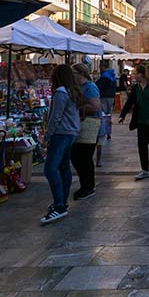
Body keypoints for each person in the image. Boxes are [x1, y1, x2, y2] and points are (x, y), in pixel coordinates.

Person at [40, 65, 82, 224]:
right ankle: (62, 202)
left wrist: (47, 136)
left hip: (61, 134)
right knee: (63, 167)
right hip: (71, 133)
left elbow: (55, 117)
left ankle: (59, 205)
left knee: (50, 169)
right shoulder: (72, 92)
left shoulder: (60, 93)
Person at [119, 65, 149, 180]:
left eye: (135, 73)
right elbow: (130, 101)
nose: (132, 75)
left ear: (141, 74)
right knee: (142, 144)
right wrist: (122, 115)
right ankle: (144, 169)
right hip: (142, 119)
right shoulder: (136, 87)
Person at [71, 64, 101, 200]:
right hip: (81, 125)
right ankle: (86, 186)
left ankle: (88, 187)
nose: (72, 75)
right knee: (78, 157)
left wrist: (77, 108)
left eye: (74, 73)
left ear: (81, 74)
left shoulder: (90, 87)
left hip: (90, 126)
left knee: (84, 157)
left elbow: (95, 106)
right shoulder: (78, 87)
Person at [96, 62, 117, 147]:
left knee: (103, 115)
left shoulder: (104, 76)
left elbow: (98, 86)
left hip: (104, 97)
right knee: (109, 115)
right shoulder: (113, 76)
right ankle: (109, 132)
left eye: (100, 68)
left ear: (103, 67)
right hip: (111, 97)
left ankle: (103, 131)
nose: (99, 70)